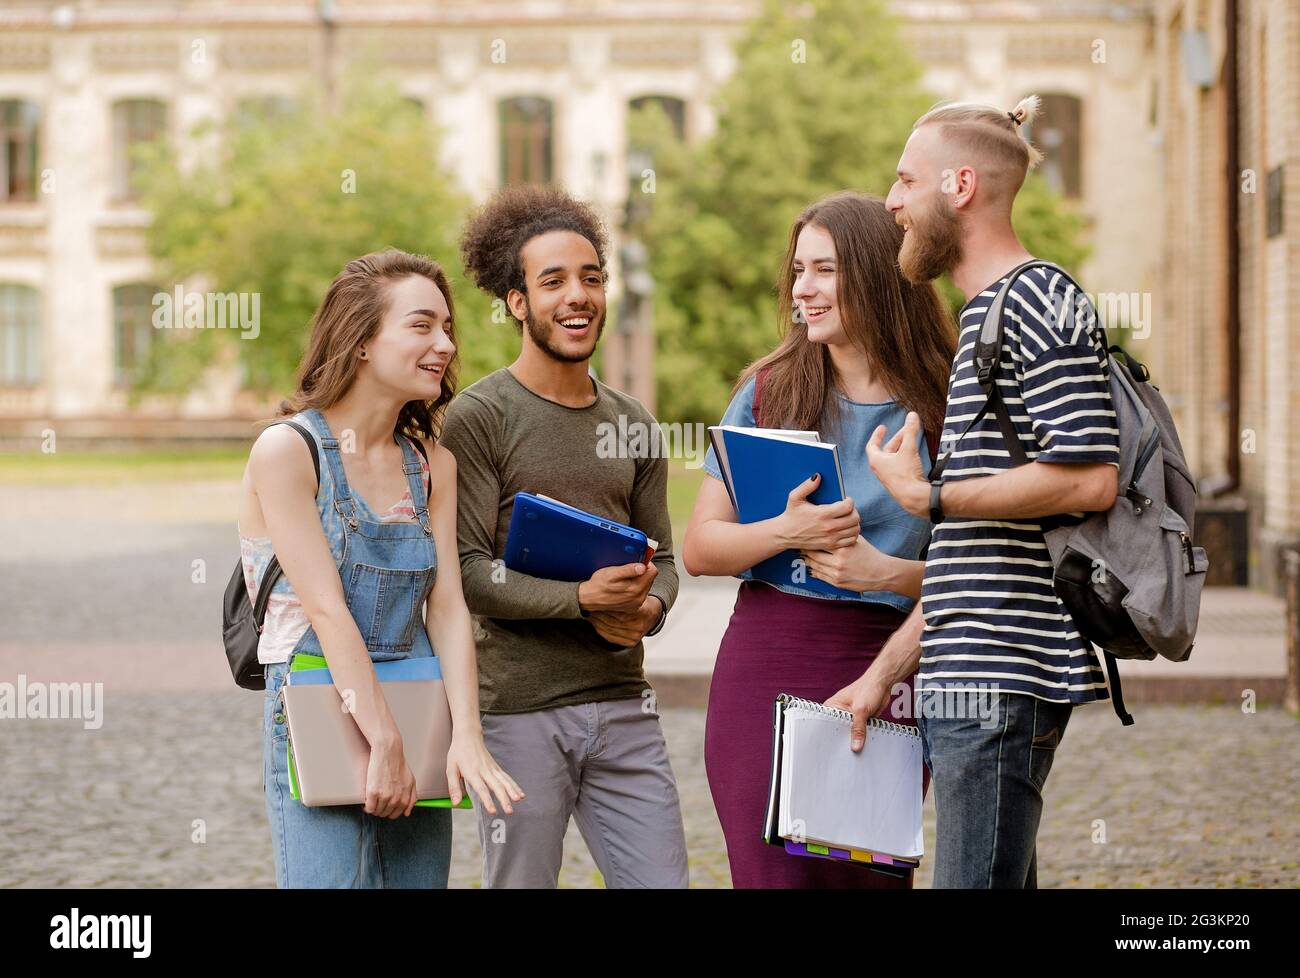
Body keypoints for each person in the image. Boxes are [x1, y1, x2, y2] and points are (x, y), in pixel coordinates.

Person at [833, 96, 1121, 888]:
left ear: (960, 186)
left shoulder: (1036, 297)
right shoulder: (985, 316)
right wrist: (885, 674)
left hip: (1003, 680)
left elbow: (1091, 476)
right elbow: (973, 559)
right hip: (968, 677)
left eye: (904, 180)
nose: (891, 203)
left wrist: (930, 497)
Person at [681, 191, 956, 888]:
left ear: (875, 273)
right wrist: (786, 529)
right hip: (765, 660)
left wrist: (884, 573)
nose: (803, 289)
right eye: (798, 270)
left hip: (889, 666)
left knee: (865, 876)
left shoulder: (947, 402)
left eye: (825, 270)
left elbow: (977, 575)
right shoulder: (770, 392)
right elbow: (702, 548)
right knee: (772, 876)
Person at [238, 249, 522, 888]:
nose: (444, 344)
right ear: (362, 342)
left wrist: (466, 734)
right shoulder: (287, 452)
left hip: (417, 699)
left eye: (446, 328)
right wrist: (383, 741)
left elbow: (448, 606)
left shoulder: (431, 465)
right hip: (316, 699)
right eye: (421, 326)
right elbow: (326, 608)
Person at [439, 184, 688, 889]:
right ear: (517, 302)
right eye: (553, 281)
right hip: (516, 714)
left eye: (591, 278)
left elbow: (663, 558)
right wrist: (582, 597)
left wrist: (649, 610)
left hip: (624, 704)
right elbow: (464, 571)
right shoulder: (479, 418)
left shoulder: (635, 421)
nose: (578, 296)